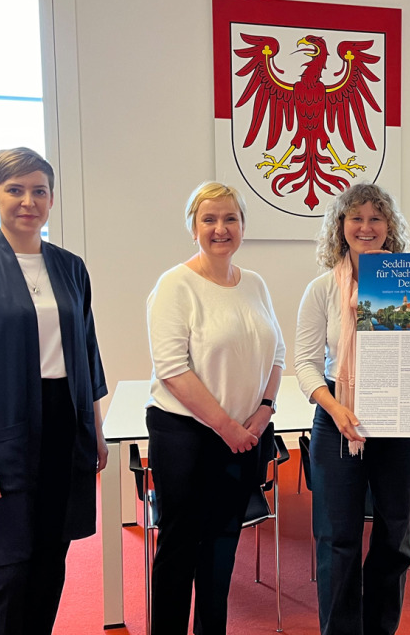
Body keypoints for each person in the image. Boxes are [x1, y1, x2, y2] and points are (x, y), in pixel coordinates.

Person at [0, 147, 108, 635]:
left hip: (63, 425)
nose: (28, 201)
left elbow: (88, 353)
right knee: (6, 573)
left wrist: (94, 431)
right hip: (0, 432)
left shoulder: (70, 268)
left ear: (51, 199)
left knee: (51, 562)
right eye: (15, 190)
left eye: (39, 191)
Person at [145, 181, 285, 634]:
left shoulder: (256, 284)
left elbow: (277, 354)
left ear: (243, 225)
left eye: (230, 218)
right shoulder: (175, 285)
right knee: (180, 547)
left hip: (245, 435)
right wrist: (227, 427)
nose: (220, 228)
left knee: (223, 544)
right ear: (193, 227)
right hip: (186, 436)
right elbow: (171, 369)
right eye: (209, 219)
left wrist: (263, 412)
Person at [295, 182, 410, 635]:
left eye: (376, 217)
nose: (366, 227)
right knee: (338, 540)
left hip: (404, 415)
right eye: (356, 218)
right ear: (341, 226)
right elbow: (306, 365)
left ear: (389, 227)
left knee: (395, 536)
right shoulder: (320, 290)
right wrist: (334, 408)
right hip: (338, 417)